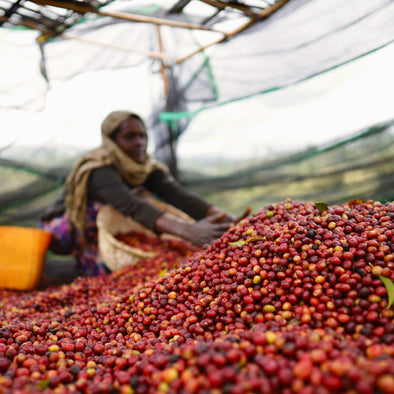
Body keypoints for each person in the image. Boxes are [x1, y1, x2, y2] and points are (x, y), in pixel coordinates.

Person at [40, 110, 249, 276]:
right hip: (65, 229)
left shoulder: (146, 167)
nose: (139, 142)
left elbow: (180, 197)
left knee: (137, 207)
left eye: (142, 136)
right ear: (112, 141)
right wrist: (189, 231)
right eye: (129, 137)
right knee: (103, 208)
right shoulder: (98, 167)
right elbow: (131, 205)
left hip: (111, 224)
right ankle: (90, 268)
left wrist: (225, 218)